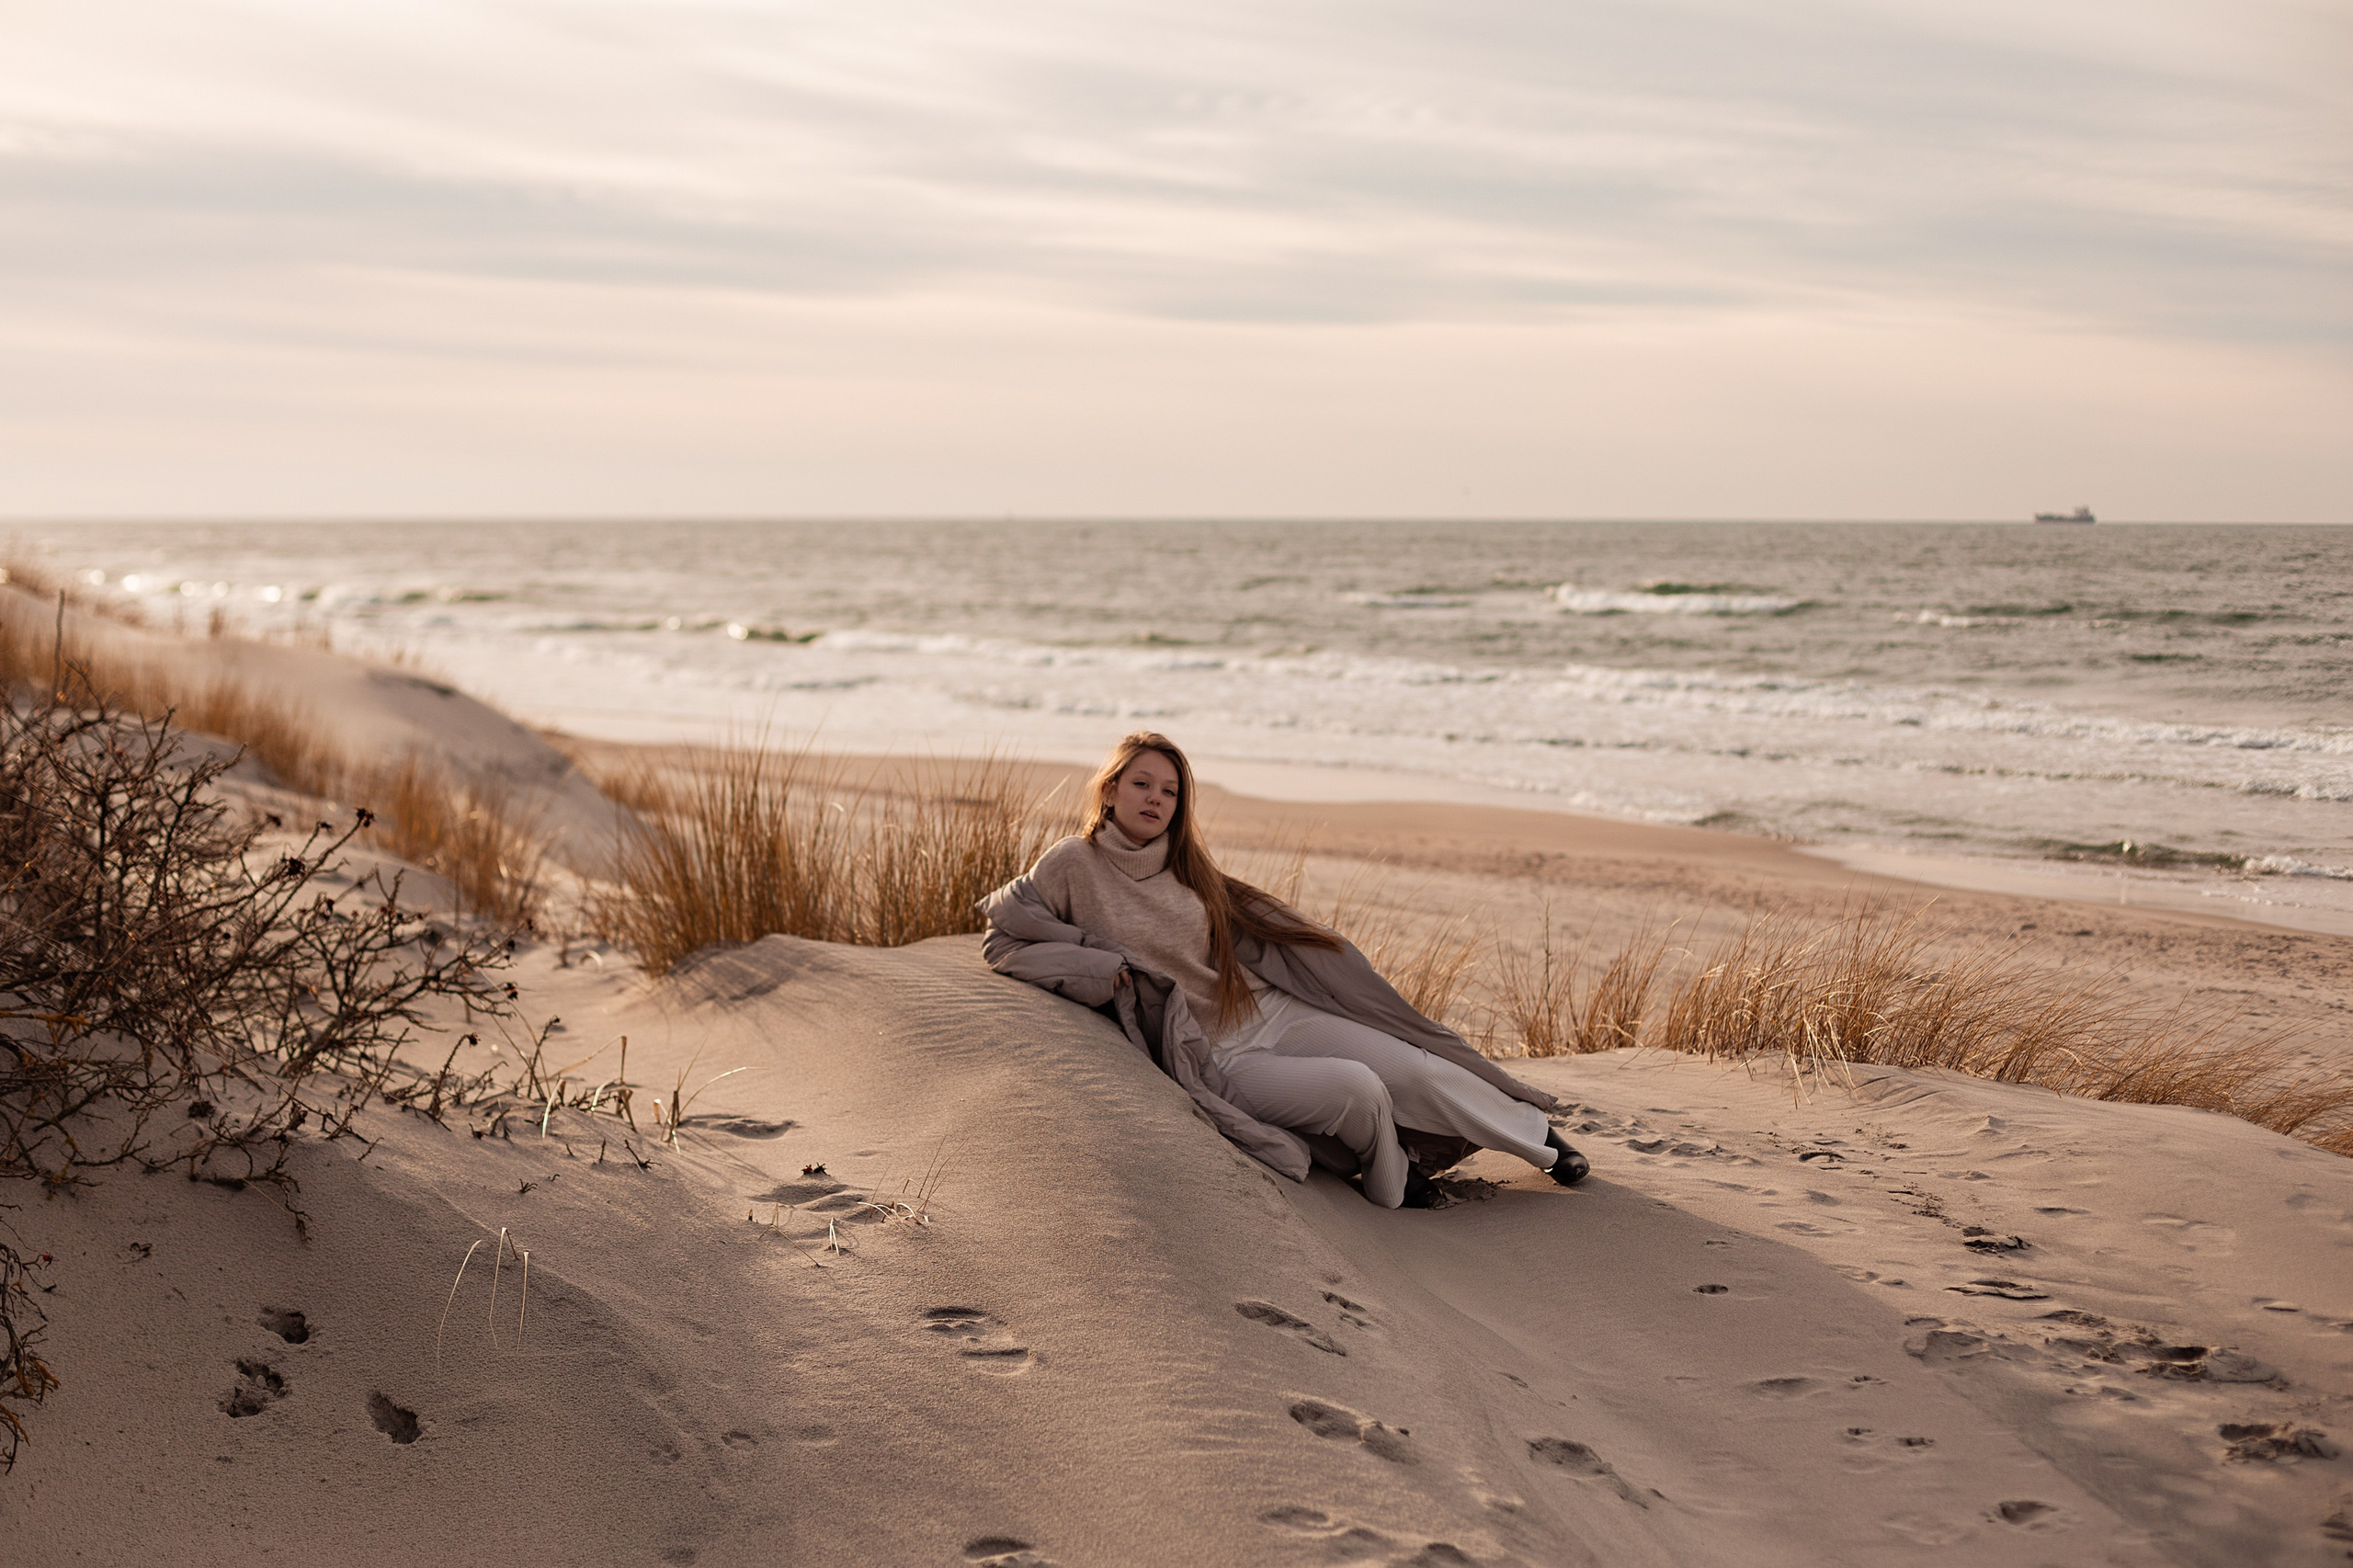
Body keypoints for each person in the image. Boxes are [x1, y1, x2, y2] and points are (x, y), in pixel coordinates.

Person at [980, 731, 1589, 1209]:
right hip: (1218, 1052)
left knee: (1416, 1071)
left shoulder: (1190, 867)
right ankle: (1394, 1184)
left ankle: (1541, 1141)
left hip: (1274, 1010)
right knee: (1359, 1088)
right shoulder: (1070, 864)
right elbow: (1004, 934)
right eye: (1142, 784)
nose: (1155, 800)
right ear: (1109, 790)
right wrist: (1092, 965)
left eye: (1169, 791)